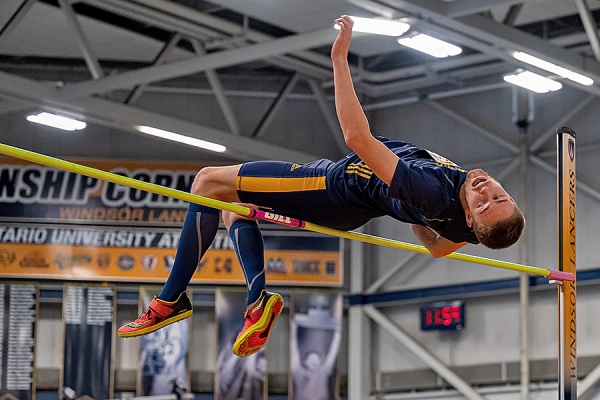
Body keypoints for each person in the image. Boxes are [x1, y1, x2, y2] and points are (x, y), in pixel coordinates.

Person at [118, 16, 525, 356]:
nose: (487, 189)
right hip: (349, 205)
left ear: (470, 219)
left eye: (485, 203)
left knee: (206, 182)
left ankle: (169, 300)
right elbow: (437, 248)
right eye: (499, 195)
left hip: (329, 187)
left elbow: (357, 138)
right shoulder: (463, 226)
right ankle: (257, 302)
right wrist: (413, 213)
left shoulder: (433, 190)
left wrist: (339, 60)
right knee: (230, 201)